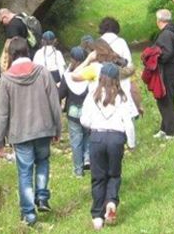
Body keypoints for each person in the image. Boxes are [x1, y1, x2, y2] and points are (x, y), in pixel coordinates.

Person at [0, 37, 62, 226]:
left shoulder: (6, 79)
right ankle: (42, 197)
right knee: (42, 162)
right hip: (43, 129)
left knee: (24, 171)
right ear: (27, 52)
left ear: (11, 55)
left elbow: (2, 113)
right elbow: (55, 104)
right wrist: (57, 128)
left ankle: (29, 213)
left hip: (20, 132)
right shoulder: (43, 73)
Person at [80, 62, 136, 230]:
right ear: (116, 79)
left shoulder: (92, 95)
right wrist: (131, 143)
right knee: (114, 174)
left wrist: (93, 126)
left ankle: (97, 216)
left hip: (97, 137)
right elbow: (129, 123)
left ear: (101, 78)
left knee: (98, 177)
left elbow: (84, 120)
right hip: (116, 138)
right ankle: (111, 201)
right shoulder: (122, 97)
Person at [57, 46, 91, 177]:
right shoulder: (89, 74)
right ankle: (88, 158)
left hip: (73, 112)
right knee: (88, 135)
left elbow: (61, 94)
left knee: (76, 141)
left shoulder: (68, 76)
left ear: (72, 60)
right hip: (87, 111)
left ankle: (78, 171)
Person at [152, 9, 174, 139]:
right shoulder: (173, 31)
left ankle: (172, 132)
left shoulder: (165, 34)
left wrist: (156, 59)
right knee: (168, 99)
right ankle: (164, 129)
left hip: (168, 70)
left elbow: (167, 52)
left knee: (165, 100)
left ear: (159, 21)